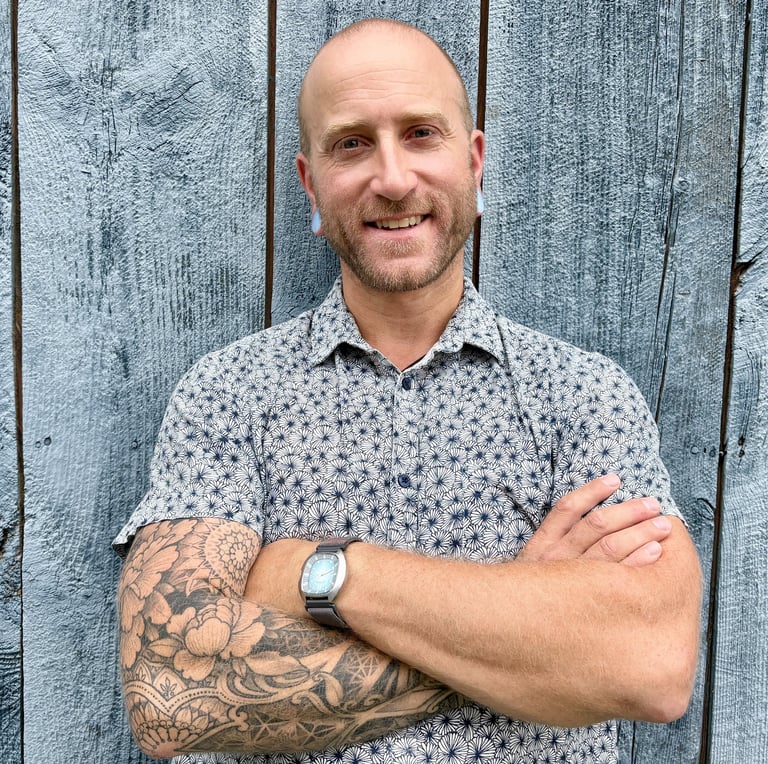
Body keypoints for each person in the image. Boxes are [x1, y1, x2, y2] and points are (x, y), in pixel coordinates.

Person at [114, 18, 701, 764]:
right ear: (311, 183)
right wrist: (525, 630)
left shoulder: (582, 396)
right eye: (352, 143)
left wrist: (320, 572)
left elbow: (650, 666)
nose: (392, 178)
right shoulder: (229, 395)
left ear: (474, 160)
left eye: (422, 134)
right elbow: (175, 692)